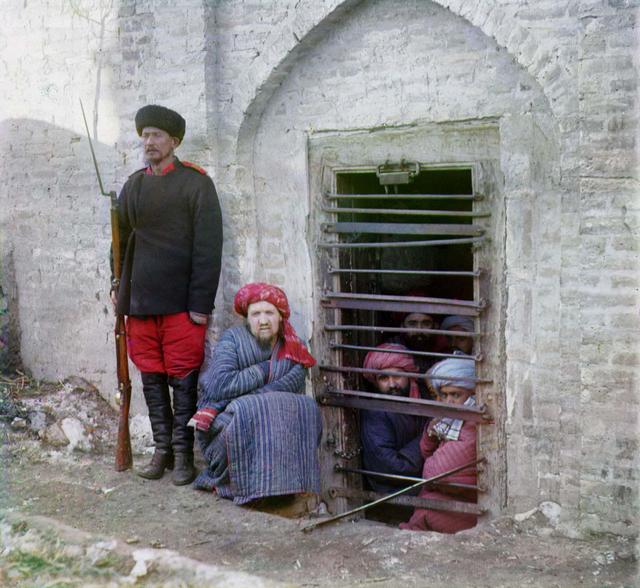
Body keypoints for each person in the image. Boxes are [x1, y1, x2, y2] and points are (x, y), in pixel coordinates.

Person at [111, 104, 223, 485]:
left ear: (174, 141)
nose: (149, 143)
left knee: (183, 380)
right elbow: (119, 243)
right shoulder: (134, 186)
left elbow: (209, 251)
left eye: (157, 135)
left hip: (181, 305)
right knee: (152, 379)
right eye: (145, 136)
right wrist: (118, 288)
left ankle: (183, 457)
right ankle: (161, 451)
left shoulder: (196, 184)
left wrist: (200, 306)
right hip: (140, 304)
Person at [189, 283, 322, 506]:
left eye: (269, 313)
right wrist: (264, 370)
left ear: (281, 318)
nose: (263, 320)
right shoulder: (232, 340)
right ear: (247, 318)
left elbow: (293, 386)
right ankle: (248, 488)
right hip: (226, 418)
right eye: (256, 314)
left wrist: (254, 399)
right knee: (251, 410)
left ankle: (284, 486)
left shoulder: (293, 348)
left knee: (305, 407)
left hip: (273, 419)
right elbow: (219, 384)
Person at [400, 356, 478, 534]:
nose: (448, 401)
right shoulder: (450, 421)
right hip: (447, 495)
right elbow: (424, 451)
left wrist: (429, 462)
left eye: (455, 395)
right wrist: (431, 433)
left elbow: (436, 473)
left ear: (473, 394)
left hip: (468, 505)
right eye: (444, 395)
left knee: (426, 512)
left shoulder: (472, 427)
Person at [360, 344, 425, 494]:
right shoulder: (376, 413)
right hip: (394, 491)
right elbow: (389, 467)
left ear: (409, 377)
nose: (392, 384)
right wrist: (427, 439)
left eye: (397, 376)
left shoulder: (421, 400)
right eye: (384, 378)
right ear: (375, 382)